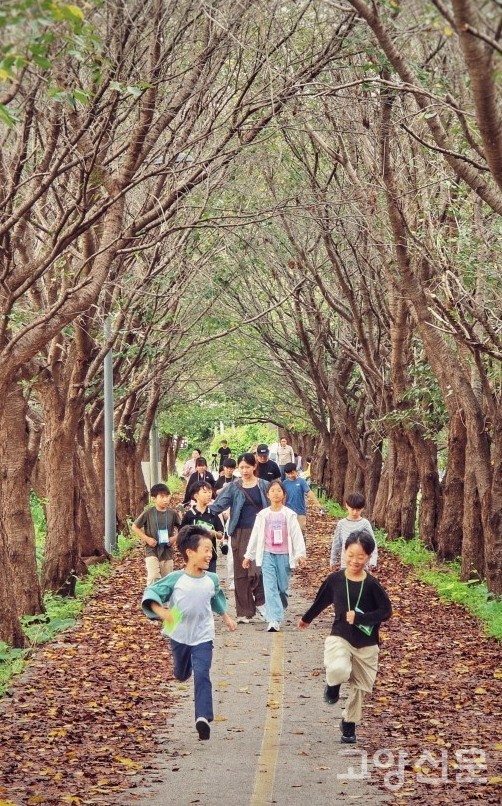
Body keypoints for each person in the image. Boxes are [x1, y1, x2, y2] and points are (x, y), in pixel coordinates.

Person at [141, 525, 237, 741]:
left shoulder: (212, 579)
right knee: (182, 674)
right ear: (190, 552)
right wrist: (162, 612)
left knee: (202, 674)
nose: (210, 555)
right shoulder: (176, 579)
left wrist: (226, 617)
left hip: (203, 635)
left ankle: (202, 718)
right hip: (179, 635)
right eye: (206, 550)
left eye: (211, 550)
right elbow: (151, 592)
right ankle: (182, 671)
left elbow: (216, 598)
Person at [298, 530, 392, 745]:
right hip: (340, 636)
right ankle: (332, 686)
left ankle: (349, 723)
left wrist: (361, 618)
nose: (355, 561)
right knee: (338, 668)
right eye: (351, 555)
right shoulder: (335, 580)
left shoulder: (372, 584)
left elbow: (386, 611)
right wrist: (306, 618)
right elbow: (321, 601)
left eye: (360, 557)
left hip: (367, 642)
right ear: (344, 552)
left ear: (368, 557)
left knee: (360, 687)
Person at [210, 452, 269, 624]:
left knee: (258, 568)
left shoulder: (264, 485)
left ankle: (261, 602)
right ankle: (244, 611)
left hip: (260, 532)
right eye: (241, 467)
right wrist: (201, 511)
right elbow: (219, 504)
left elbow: (276, 503)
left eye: (247, 467)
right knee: (241, 571)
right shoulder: (233, 487)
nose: (244, 471)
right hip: (240, 532)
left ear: (254, 466)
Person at [243, 480, 306, 632]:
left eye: (279, 491)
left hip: (284, 555)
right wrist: (248, 556)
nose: (276, 493)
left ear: (284, 494)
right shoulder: (263, 515)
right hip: (267, 554)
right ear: (267, 494)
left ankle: (280, 605)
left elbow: (296, 535)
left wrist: (300, 554)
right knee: (270, 587)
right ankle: (274, 620)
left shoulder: (289, 514)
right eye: (272, 491)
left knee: (282, 588)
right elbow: (255, 535)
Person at [131, 483, 181, 586]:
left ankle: (163, 597)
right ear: (154, 498)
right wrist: (147, 539)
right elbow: (134, 527)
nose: (165, 499)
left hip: (167, 551)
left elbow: (182, 529)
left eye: (167, 496)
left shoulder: (172, 513)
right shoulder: (148, 512)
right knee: (153, 577)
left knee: (167, 580)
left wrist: (174, 538)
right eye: (162, 497)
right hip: (151, 550)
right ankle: (151, 596)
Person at [180, 481, 225, 573]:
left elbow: (220, 535)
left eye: (210, 492)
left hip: (210, 556)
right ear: (196, 496)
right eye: (205, 492)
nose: (209, 494)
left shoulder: (213, 514)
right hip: (194, 556)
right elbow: (182, 534)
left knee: (210, 578)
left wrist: (214, 533)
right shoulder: (189, 515)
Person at [330, 492, 377, 570]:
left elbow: (372, 542)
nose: (355, 512)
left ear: (362, 508)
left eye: (358, 510)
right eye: (352, 509)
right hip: (346, 563)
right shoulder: (341, 524)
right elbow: (336, 543)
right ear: (347, 505)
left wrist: (373, 561)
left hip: (361, 564)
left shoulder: (365, 523)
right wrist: (333, 560)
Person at [282, 462, 323, 536]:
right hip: (288, 511)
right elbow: (283, 497)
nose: (291, 475)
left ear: (296, 471)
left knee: (301, 531)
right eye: (288, 474)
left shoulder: (301, 481)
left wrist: (317, 503)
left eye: (292, 473)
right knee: (289, 532)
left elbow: (309, 492)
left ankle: (302, 543)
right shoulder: (284, 483)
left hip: (300, 511)